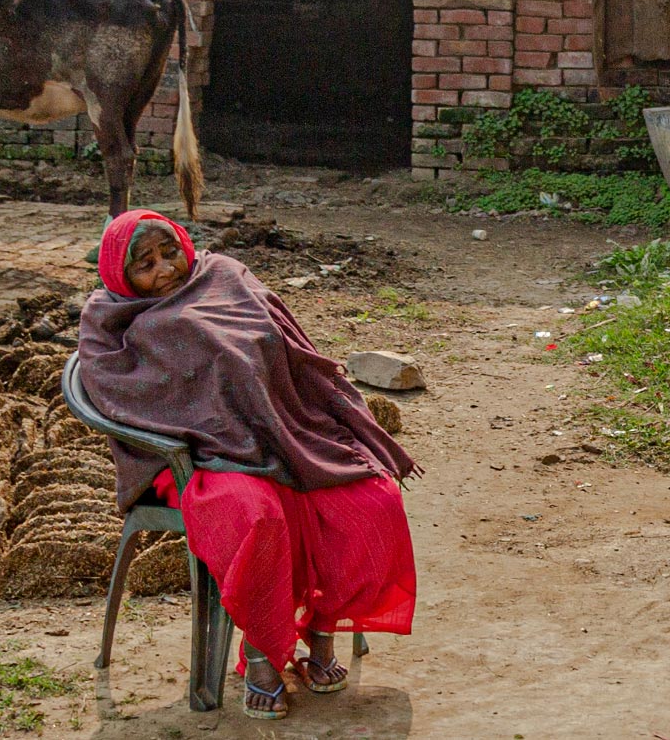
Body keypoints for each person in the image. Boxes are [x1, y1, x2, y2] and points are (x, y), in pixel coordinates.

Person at [77, 208, 419, 721]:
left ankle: (321, 629)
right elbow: (117, 395)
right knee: (256, 516)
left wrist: (282, 419)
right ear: (117, 274)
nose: (165, 269)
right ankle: (263, 652)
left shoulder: (224, 275)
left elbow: (290, 347)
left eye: (170, 251)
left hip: (279, 430)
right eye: (144, 263)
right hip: (193, 459)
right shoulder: (107, 320)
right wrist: (210, 428)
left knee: (371, 497)